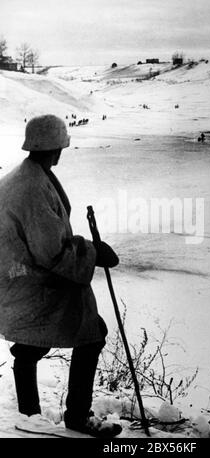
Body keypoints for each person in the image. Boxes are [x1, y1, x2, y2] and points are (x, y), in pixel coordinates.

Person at [0, 114, 122, 438]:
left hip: (18, 280)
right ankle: (76, 417)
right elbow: (51, 251)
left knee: (30, 345)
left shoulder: (27, 175)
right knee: (92, 334)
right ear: (56, 149)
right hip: (31, 283)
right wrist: (94, 254)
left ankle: (30, 415)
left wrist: (86, 249)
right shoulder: (33, 187)